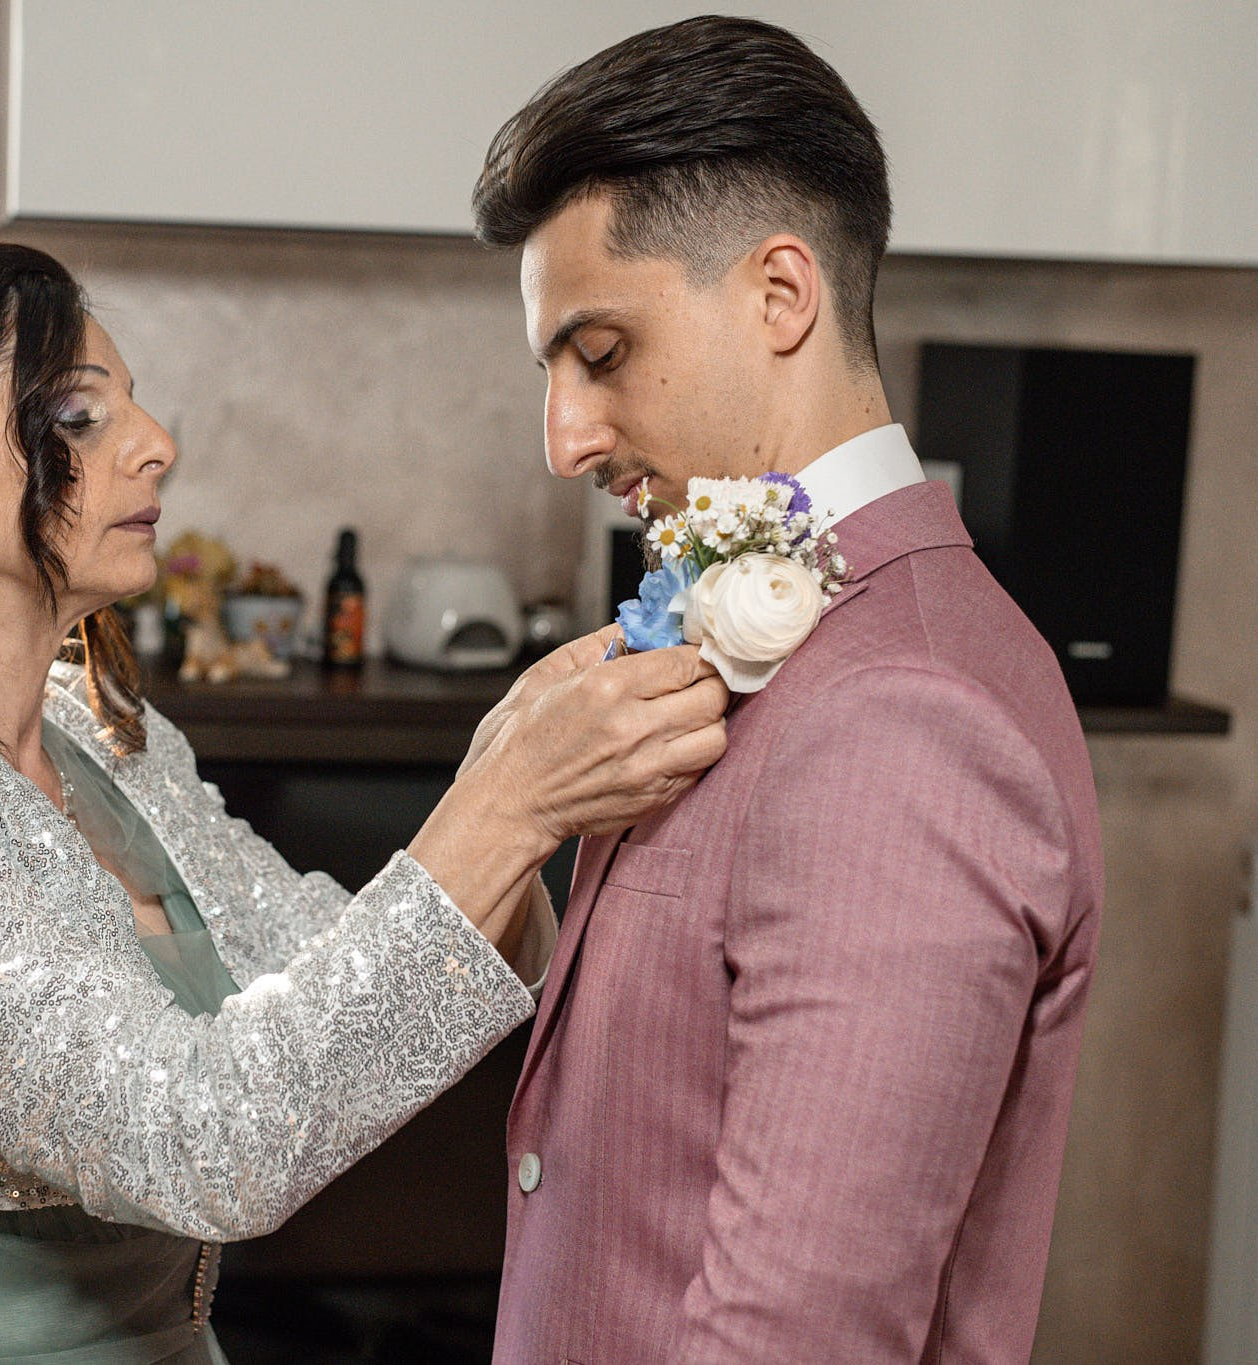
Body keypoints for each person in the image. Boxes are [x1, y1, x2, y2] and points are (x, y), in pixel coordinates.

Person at [0, 241, 730, 1364]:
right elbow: (204, 1143)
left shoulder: (100, 732)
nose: (155, 444)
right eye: (74, 417)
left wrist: (519, 765)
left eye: (134, 406)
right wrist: (503, 808)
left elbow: (333, 966)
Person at [472, 17, 1103, 1363]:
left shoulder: (905, 717)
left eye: (598, 351)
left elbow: (797, 1335)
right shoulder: (764, 603)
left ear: (778, 296)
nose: (565, 436)